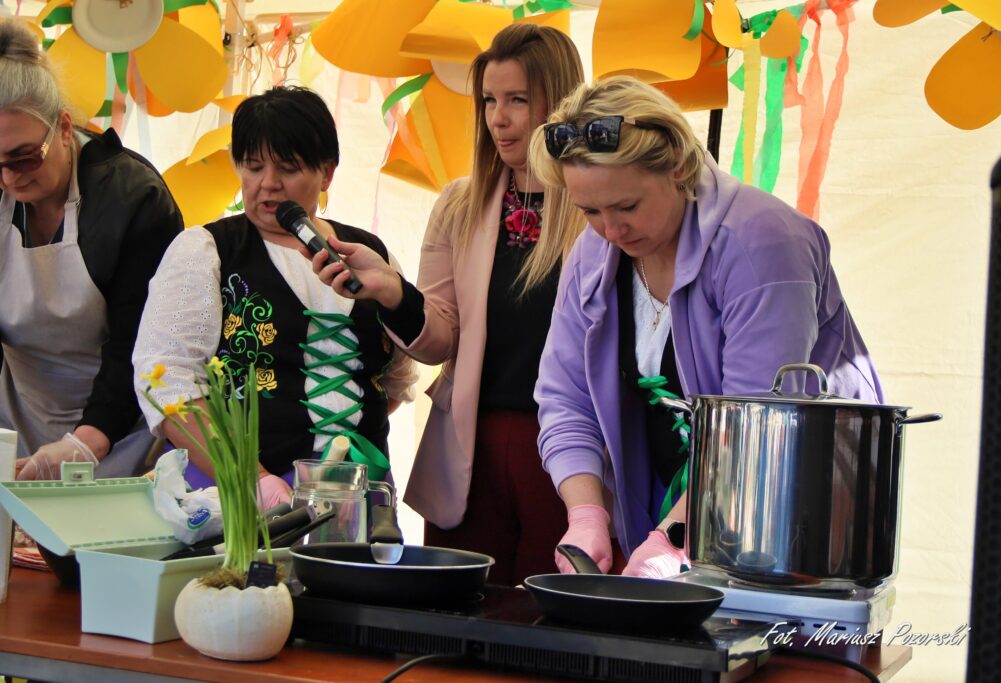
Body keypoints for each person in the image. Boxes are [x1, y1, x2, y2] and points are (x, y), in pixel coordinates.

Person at [528, 76, 884, 579]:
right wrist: (585, 513)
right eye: (590, 211)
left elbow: (754, 424)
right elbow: (565, 396)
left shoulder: (762, 244)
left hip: (794, 514)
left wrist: (673, 537)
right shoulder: (594, 252)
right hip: (678, 503)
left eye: (627, 206)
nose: (611, 230)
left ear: (676, 165)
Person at [310, 23, 586, 585]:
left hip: (571, 452)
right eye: (488, 100)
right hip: (470, 445)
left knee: (556, 609)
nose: (497, 118)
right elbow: (440, 339)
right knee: (462, 605)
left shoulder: (597, 205)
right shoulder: (460, 203)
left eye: (517, 100)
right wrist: (392, 290)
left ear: (559, 105)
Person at [132, 86, 417, 509]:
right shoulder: (206, 251)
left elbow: (395, 378)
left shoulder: (368, 253)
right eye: (253, 166)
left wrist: (339, 439)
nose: (268, 184)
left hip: (359, 495)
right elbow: (168, 384)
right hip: (240, 496)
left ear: (327, 173)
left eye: (288, 167)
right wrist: (255, 478)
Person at [0, 20, 183, 480]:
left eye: (24, 157)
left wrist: (86, 442)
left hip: (117, 430)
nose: (9, 177)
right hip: (16, 410)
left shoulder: (134, 200)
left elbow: (139, 345)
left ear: (63, 128)